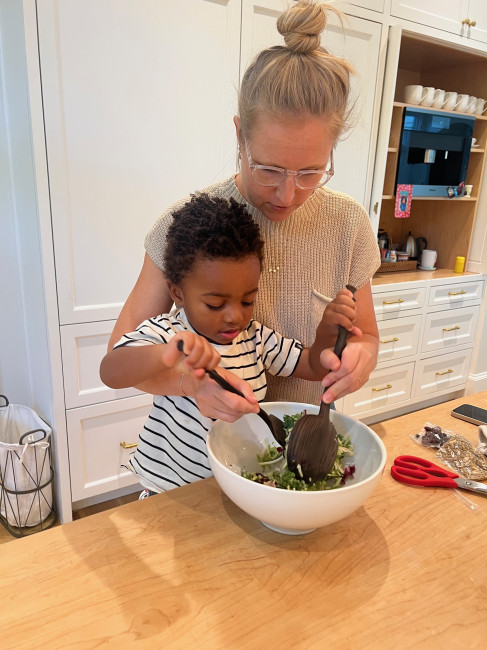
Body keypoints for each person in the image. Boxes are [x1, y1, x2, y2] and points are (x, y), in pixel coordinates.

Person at [108, 0, 380, 421]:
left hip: (297, 449)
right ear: (240, 138)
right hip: (206, 458)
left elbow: (368, 337)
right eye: (268, 168)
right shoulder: (183, 227)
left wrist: (361, 357)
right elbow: (119, 357)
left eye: (311, 172)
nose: (287, 195)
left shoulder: (348, 224)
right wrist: (190, 384)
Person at [100, 193, 359, 493]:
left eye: (248, 300)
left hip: (234, 488)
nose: (235, 316)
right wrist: (166, 354)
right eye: (215, 304)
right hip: (171, 493)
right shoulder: (170, 331)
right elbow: (111, 372)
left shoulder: (255, 337)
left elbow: (312, 366)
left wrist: (328, 330)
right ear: (177, 293)